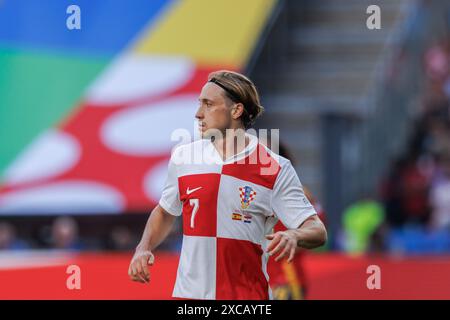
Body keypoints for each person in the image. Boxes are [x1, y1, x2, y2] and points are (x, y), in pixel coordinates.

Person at [128, 70, 327, 299]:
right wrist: (143, 248)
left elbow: (317, 230)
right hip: (190, 297)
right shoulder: (184, 157)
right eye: (199, 103)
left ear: (236, 110)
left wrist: (295, 235)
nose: (198, 114)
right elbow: (165, 211)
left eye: (208, 104)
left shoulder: (275, 167)